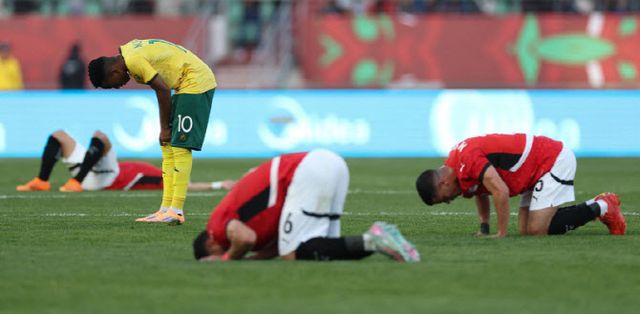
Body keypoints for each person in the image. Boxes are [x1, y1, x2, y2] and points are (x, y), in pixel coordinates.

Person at [192, 149, 420, 262]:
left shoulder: (215, 227)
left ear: (210, 245)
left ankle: (375, 239)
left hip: (306, 170)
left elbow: (245, 239)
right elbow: (278, 247)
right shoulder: (251, 224)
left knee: (294, 253)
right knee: (323, 248)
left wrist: (225, 260)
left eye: (217, 252)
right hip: (330, 162)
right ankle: (379, 241)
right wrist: (250, 261)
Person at [88, 39, 217, 224]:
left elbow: (163, 90)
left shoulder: (133, 61)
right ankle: (165, 209)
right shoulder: (127, 52)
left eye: (112, 85)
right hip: (184, 83)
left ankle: (176, 210)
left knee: (180, 147)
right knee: (167, 145)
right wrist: (164, 129)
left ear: (113, 72)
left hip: (195, 81)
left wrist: (164, 128)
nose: (118, 87)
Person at [415, 133, 626, 238]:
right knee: (526, 231)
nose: (449, 201)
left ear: (443, 183)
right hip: (531, 172)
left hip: (551, 160)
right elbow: (480, 190)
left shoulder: (466, 159)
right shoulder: (456, 166)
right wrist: (484, 227)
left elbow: (500, 190)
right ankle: (595, 206)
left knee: (537, 229)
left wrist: (501, 233)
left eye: (444, 198)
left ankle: (602, 206)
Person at [16, 130, 235, 193]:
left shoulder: (156, 177)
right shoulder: (149, 168)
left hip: (105, 178)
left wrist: (217, 185)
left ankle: (76, 182)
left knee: (101, 136)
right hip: (94, 170)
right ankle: (42, 181)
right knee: (59, 135)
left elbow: (184, 186)